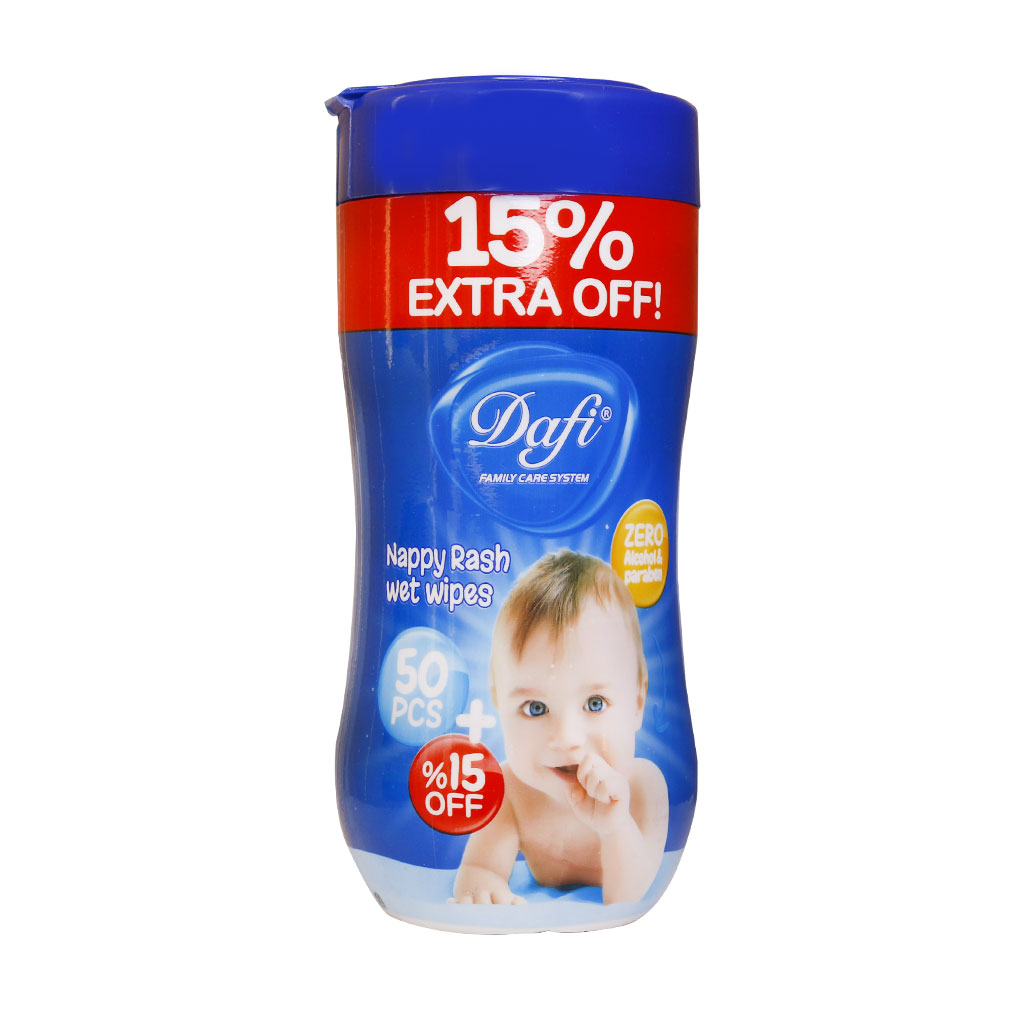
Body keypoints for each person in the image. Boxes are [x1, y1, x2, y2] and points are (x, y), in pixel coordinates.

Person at [454, 550, 668, 905]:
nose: (567, 739)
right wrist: (482, 890)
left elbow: (629, 897)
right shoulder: (510, 791)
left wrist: (616, 827)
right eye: (536, 708)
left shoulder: (643, 787)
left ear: (637, 701)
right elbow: (480, 871)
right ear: (498, 700)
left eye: (595, 703)